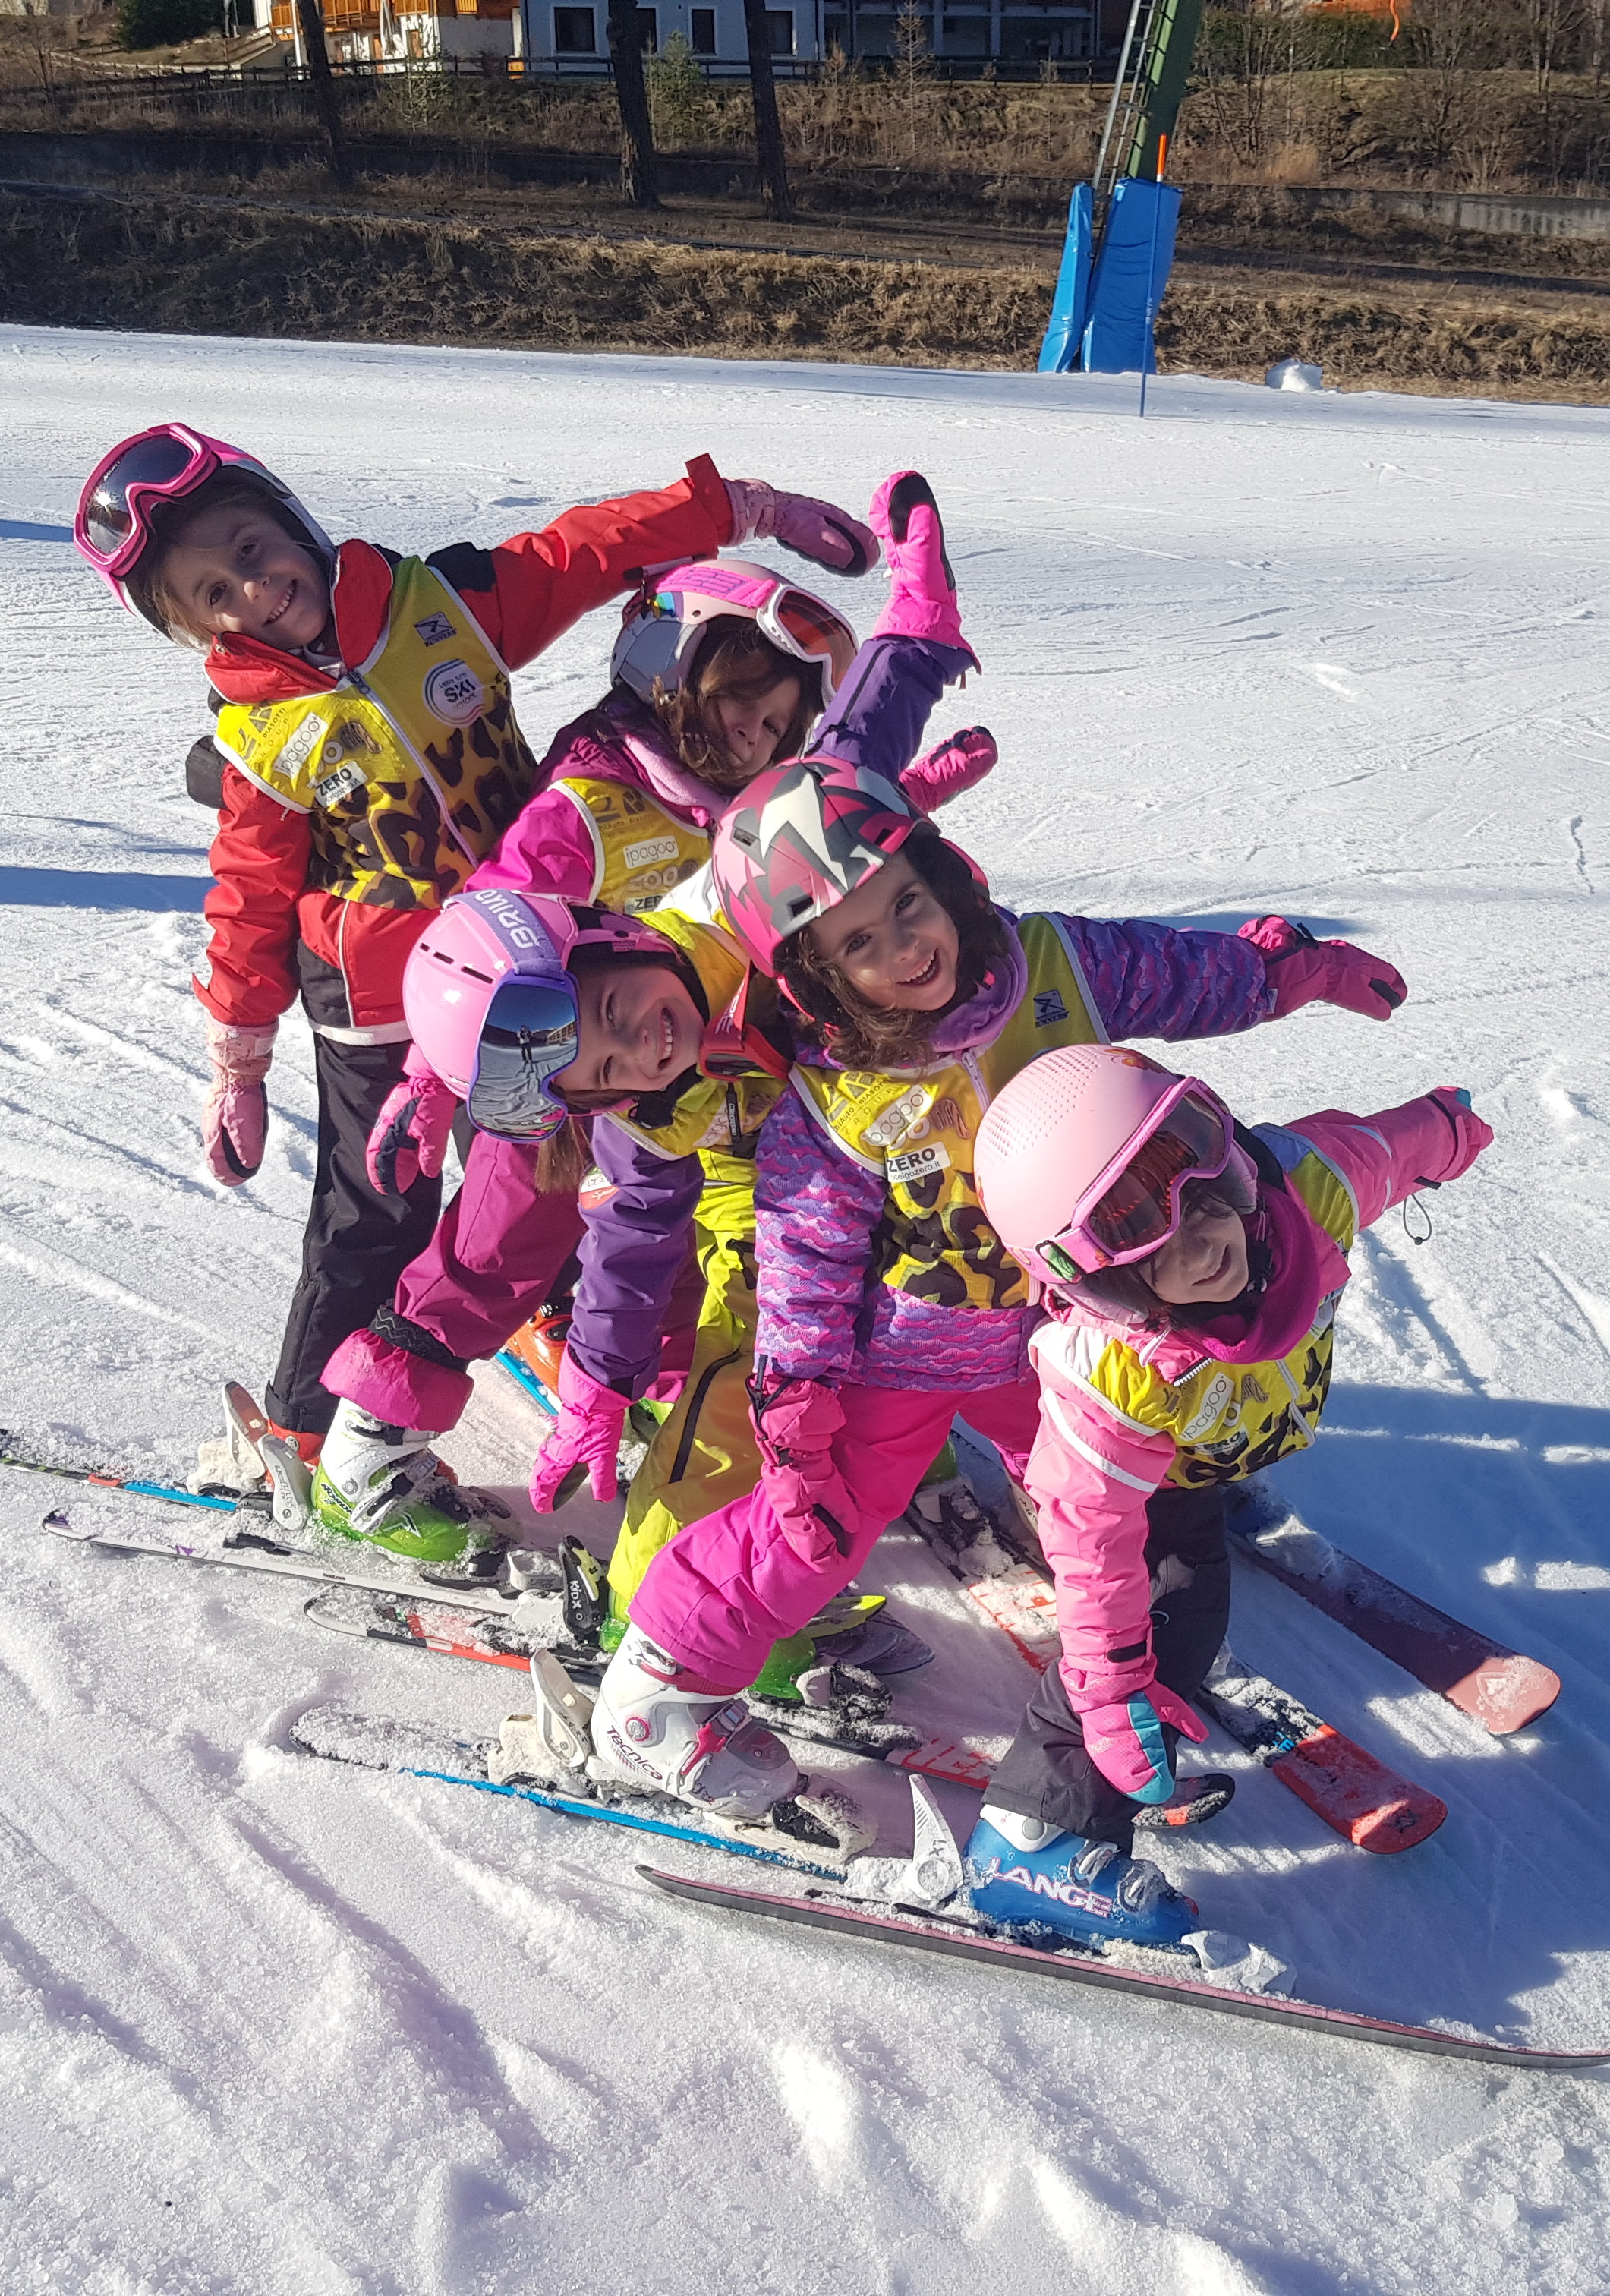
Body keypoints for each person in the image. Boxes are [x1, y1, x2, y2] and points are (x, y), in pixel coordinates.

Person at [579, 473, 1416, 1831]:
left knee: (1124, 1488)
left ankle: (1126, 1657)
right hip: (911, 1349)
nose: (903, 948)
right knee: (809, 1530)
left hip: (1074, 1320)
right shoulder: (836, 1099)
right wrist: (795, 1399)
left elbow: (1181, 975)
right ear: (816, 972)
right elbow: (806, 1254)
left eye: (905, 904)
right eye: (859, 942)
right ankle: (659, 1684)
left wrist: (1296, 972)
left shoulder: (1044, 965)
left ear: (942, 877)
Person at [71, 425, 874, 1538]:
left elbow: (583, 552)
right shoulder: (262, 736)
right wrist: (239, 1061)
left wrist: (746, 510)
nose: (257, 590)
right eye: (218, 592)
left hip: (534, 960)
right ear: (199, 626)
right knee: (378, 1212)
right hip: (378, 1005)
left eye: (253, 549)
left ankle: (584, 1323)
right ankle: (313, 1433)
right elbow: (249, 897)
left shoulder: (436, 603)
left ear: (291, 519)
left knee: (552, 1161)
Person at [321, 541, 996, 1591]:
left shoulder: (748, 808)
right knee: (511, 1234)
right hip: (559, 1068)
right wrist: (433, 1075)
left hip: (703, 1075)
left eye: (777, 717)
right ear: (667, 673)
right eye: (739, 700)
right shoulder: (594, 800)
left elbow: (847, 759)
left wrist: (912, 663)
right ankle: (370, 1438)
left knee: (753, 1236)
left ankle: (704, 1394)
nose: (756, 730)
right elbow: (491, 921)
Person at [963, 1043, 1491, 1948]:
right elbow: (1094, 1550)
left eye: (1203, 1189)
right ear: (1101, 1278)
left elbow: (1386, 1149)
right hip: (1157, 1485)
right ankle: (1031, 1838)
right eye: (1150, 1235)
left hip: (1218, 1434)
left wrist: (1446, 1129)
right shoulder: (1109, 1376)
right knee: (1170, 1621)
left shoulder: (1308, 1189)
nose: (1205, 1236)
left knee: (1207, 1471)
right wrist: (1112, 1694)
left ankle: (1225, 1463)